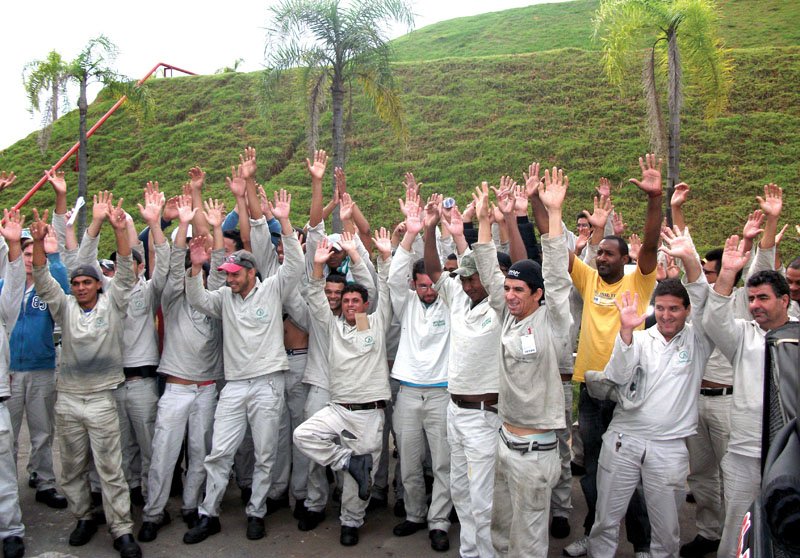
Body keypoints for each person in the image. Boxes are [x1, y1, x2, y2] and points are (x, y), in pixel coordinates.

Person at [182, 188, 303, 544]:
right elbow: (198, 298)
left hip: (268, 382)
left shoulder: (272, 290)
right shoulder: (223, 298)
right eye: (227, 275)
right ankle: (209, 513)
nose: (229, 279)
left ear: (251, 273)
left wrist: (284, 221)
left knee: (266, 452)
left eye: (234, 274)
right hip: (234, 385)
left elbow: (294, 266)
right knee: (220, 452)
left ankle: (257, 511)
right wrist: (194, 268)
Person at [587, 226, 713, 558]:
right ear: (653, 309)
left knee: (667, 531)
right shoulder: (640, 339)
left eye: (674, 309)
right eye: (661, 309)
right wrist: (626, 333)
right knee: (605, 521)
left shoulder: (698, 341)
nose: (667, 315)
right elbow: (617, 375)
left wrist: (688, 259)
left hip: (669, 448)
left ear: (686, 312)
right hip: (624, 439)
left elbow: (704, 299)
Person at [561, 155, 663, 558]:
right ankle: (593, 531)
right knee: (593, 470)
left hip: (628, 390)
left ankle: (641, 542)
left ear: (625, 259)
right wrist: (543, 210)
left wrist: (655, 200)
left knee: (629, 471)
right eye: (599, 253)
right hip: (589, 389)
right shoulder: (588, 281)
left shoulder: (639, 282)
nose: (601, 258)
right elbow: (558, 252)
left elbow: (652, 244)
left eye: (608, 254)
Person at [32, 195, 142, 558]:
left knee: (111, 469)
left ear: (97, 285)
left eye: (86, 282)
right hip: (68, 399)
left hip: (101, 399)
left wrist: (119, 227)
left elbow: (125, 270)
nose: (79, 286)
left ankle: (122, 529)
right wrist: (35, 243)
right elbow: (43, 279)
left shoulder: (113, 305)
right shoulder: (63, 308)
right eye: (76, 282)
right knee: (72, 469)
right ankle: (83, 516)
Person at [472, 169, 573, 557]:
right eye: (508, 288)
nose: (510, 295)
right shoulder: (509, 314)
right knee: (500, 534)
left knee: (527, 544)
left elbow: (556, 274)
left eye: (519, 290)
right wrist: (483, 223)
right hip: (505, 443)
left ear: (537, 294)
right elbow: (486, 270)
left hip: (535, 454)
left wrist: (554, 214)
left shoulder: (553, 321)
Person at [702, 205, 793, 558]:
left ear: (785, 300)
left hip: (789, 451)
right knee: (737, 528)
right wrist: (726, 274)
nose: (754, 305)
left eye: (763, 298)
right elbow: (714, 319)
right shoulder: (744, 337)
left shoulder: (796, 338)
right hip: (744, 453)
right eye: (751, 298)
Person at [293, 230, 393, 547]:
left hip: (368, 414)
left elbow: (385, 291)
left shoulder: (371, 325)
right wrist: (318, 265)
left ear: (365, 304)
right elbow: (314, 295)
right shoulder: (333, 327)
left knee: (356, 483)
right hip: (337, 409)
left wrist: (358, 255)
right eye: (345, 300)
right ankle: (346, 460)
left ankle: (350, 522)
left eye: (355, 300)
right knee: (303, 435)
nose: (349, 304)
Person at [138, 195, 226, 542]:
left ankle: (191, 506)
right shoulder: (173, 297)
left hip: (207, 388)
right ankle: (154, 512)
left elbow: (220, 265)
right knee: (163, 454)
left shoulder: (217, 298)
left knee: (201, 454)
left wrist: (216, 230)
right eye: (195, 265)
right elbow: (172, 265)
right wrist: (184, 225)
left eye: (202, 267)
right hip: (175, 388)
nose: (200, 269)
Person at [424, 190, 503, 558]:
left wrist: (472, 231)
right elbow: (436, 271)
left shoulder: (503, 309)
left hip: (485, 415)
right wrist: (428, 231)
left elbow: (496, 269)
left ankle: (486, 553)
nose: (469, 284)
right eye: (465, 278)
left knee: (483, 497)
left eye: (475, 278)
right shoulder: (457, 296)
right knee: (460, 490)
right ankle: (470, 552)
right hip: (454, 410)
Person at [387, 204, 452, 552]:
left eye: (432, 284)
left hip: (442, 393)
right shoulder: (406, 302)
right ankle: (414, 514)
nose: (429, 291)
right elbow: (393, 275)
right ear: (414, 285)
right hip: (408, 393)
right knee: (409, 461)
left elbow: (441, 271)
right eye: (422, 285)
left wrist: (432, 230)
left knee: (443, 462)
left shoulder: (449, 302)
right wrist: (410, 233)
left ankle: (439, 521)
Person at [5, 197, 69, 510]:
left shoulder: (47, 287)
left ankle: (44, 481)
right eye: (25, 254)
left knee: (43, 432)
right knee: (9, 436)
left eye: (34, 254)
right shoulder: (5, 286)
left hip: (43, 367)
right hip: (10, 373)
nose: (30, 260)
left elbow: (65, 294)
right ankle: (7, 489)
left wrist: (53, 257)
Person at [0, 209, 30, 558]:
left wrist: (12, 245)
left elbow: (13, 286)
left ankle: (10, 532)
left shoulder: (4, 311)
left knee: (5, 473)